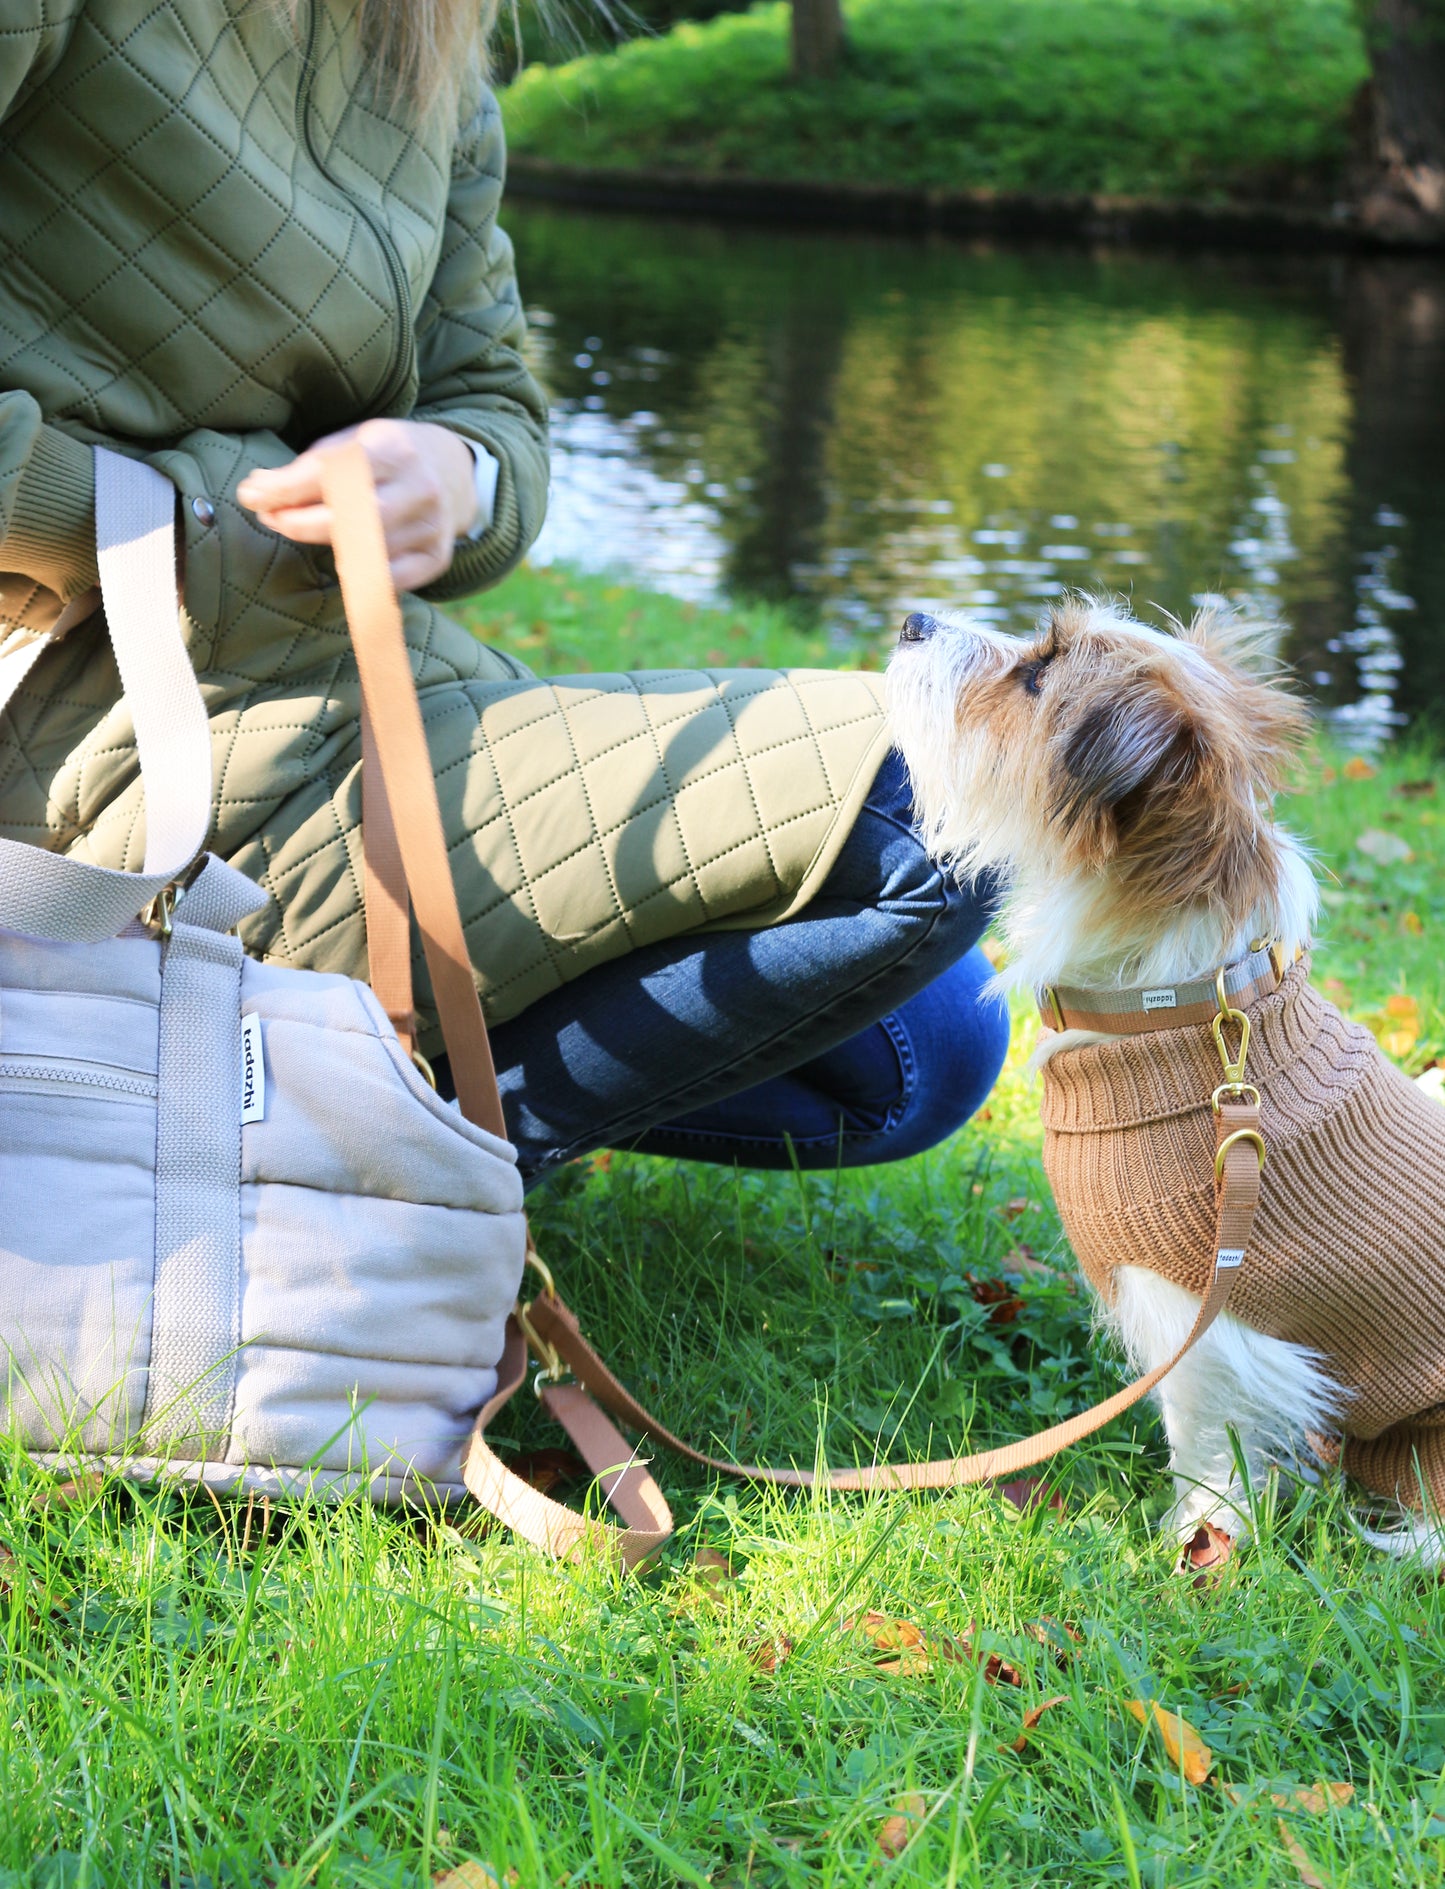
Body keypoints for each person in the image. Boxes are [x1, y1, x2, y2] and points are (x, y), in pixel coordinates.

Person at [0, 0, 1007, 1191]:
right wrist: (179, 527)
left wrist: (457, 478)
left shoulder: (429, 35)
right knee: (929, 800)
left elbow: (493, 399)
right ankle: (372, 1170)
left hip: (341, 668)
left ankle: (350, 1116)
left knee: (916, 1046)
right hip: (79, 700)